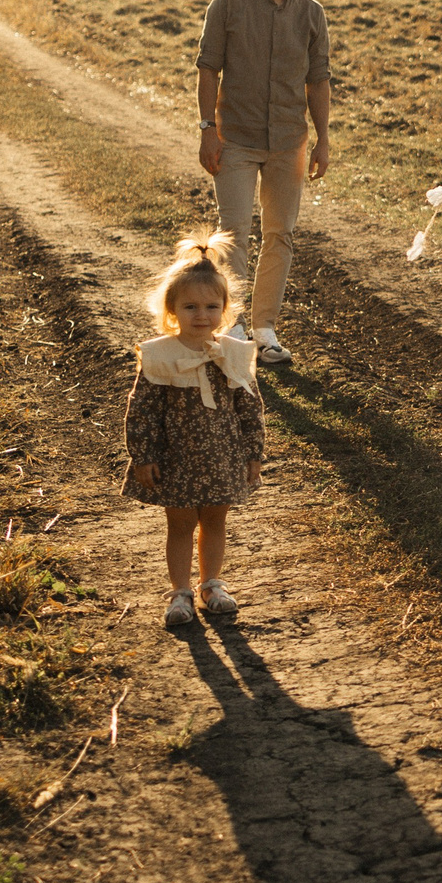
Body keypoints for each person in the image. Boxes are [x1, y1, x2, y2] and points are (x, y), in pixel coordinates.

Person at [197, 0, 332, 366]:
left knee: (281, 234)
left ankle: (264, 329)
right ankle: (232, 327)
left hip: (289, 143)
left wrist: (323, 140)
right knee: (234, 233)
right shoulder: (229, 4)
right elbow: (208, 70)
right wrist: (206, 129)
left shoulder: (312, 14)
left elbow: (318, 81)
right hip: (235, 137)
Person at [124, 233, 264, 629]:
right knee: (181, 524)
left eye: (210, 306)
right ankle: (180, 591)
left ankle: (211, 585)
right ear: (172, 310)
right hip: (176, 459)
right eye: (189, 306)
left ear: (225, 309)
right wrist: (144, 456)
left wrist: (254, 454)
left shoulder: (232, 355)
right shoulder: (161, 357)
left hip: (223, 457)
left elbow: (250, 407)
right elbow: (142, 410)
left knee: (216, 520)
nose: (200, 315)